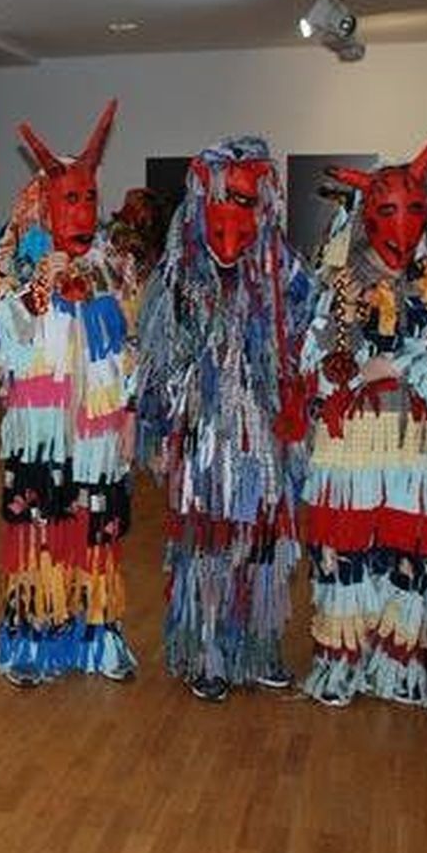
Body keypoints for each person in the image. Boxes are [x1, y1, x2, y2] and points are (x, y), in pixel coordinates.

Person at [298, 135, 427, 708]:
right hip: (353, 443)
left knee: (410, 550)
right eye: (388, 210)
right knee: (346, 548)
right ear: (367, 215)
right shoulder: (336, 280)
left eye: (414, 209)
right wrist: (360, 370)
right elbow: (312, 361)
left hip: (422, 441)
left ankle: (398, 663)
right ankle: (342, 660)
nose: (402, 225)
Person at [135, 137, 316, 703]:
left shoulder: (282, 269)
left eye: (247, 209)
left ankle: (258, 647)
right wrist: (160, 432)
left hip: (263, 437)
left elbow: (306, 338)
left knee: (262, 543)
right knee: (208, 547)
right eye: (223, 215)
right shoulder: (176, 279)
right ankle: (207, 651)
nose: (233, 235)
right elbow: (159, 364)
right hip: (204, 441)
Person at [0, 100, 138, 686]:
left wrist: (130, 412)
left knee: (96, 529)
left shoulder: (114, 267)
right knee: (39, 527)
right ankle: (35, 641)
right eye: (71, 198)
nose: (83, 210)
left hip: (97, 432)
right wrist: (40, 283)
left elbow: (130, 348)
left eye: (90, 198)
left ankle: (96, 639)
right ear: (44, 203)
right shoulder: (12, 267)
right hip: (39, 433)